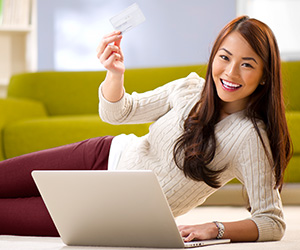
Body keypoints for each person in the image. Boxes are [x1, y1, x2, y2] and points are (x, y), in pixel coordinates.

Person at [0, 16, 292, 242]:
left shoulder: (250, 137)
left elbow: (271, 221)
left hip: (109, 211)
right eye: (224, 57)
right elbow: (119, 112)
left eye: (247, 64)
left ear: (265, 75)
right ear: (214, 56)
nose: (230, 73)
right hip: (102, 154)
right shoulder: (190, 88)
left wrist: (214, 228)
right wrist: (115, 74)